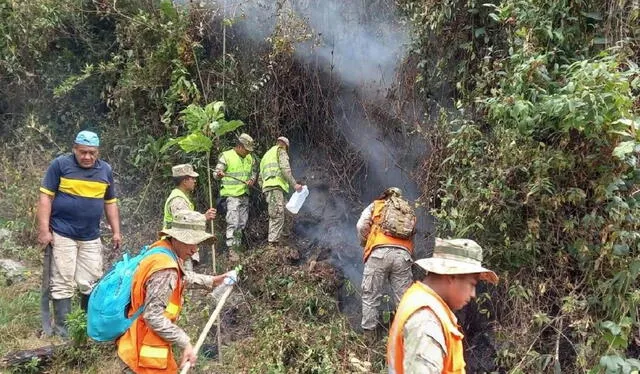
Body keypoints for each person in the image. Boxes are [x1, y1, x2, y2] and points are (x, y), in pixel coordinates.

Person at [117, 210, 235, 373]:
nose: (195, 249)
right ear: (177, 238)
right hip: (143, 358)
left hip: (137, 346)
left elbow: (180, 279)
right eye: (190, 242)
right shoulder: (165, 269)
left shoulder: (160, 252)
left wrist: (213, 281)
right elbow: (153, 316)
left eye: (197, 243)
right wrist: (185, 342)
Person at [37, 130, 121, 336]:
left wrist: (116, 231)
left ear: (98, 152)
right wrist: (44, 229)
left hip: (91, 236)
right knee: (63, 280)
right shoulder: (60, 165)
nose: (87, 157)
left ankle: (85, 329)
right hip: (62, 233)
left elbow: (110, 203)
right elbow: (45, 197)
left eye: (92, 153)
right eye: (83, 152)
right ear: (74, 149)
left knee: (90, 281)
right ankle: (63, 332)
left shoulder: (105, 170)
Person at [387, 238, 499, 373]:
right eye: (472, 284)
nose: (473, 294)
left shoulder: (419, 299)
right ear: (452, 276)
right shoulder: (427, 320)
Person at [356, 187, 414, 341]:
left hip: (379, 254)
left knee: (370, 296)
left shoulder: (377, 205)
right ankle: (407, 341)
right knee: (404, 300)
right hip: (403, 256)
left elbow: (361, 225)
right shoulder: (408, 211)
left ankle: (369, 340)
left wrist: (365, 241)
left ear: (386, 195)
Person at [163, 164, 216, 270]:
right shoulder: (177, 199)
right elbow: (183, 220)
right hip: (178, 245)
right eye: (192, 178)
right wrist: (204, 217)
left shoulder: (181, 196)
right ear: (184, 181)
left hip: (179, 244)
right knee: (185, 276)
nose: (195, 181)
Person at [214, 133, 257, 248]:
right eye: (246, 149)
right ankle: (231, 249)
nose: (248, 152)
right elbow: (215, 174)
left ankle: (237, 246)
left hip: (244, 194)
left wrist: (252, 180)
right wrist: (219, 174)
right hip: (231, 195)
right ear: (239, 146)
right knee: (233, 222)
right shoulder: (226, 156)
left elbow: (253, 172)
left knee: (242, 223)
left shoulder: (249, 158)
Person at [259, 136, 302, 245]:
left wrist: (265, 188)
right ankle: (273, 244)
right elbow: (285, 169)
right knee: (277, 214)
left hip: (271, 189)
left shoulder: (266, 156)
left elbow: (260, 178)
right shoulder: (280, 151)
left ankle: (283, 238)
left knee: (286, 211)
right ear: (284, 145)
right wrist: (294, 184)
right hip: (276, 188)